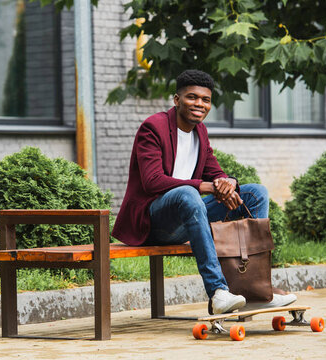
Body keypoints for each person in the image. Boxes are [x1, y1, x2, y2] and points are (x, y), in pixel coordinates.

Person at [112, 70, 296, 314]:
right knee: (188, 193)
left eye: (205, 100)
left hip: (189, 217)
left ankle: (254, 288)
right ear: (176, 100)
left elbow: (215, 172)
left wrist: (227, 182)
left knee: (255, 193)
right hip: (153, 223)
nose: (199, 104)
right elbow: (152, 181)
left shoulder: (200, 132)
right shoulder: (153, 127)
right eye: (192, 97)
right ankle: (218, 292)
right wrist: (205, 186)